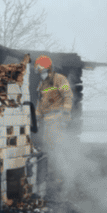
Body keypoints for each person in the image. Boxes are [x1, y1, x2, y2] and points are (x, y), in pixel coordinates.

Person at [34, 56, 73, 191]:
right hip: (48, 121)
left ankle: (65, 180)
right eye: (39, 71)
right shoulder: (42, 84)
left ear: (47, 68)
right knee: (49, 148)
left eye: (41, 69)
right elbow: (40, 104)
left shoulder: (60, 79)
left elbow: (68, 96)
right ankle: (55, 177)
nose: (40, 73)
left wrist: (65, 114)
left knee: (57, 149)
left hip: (58, 119)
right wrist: (35, 118)